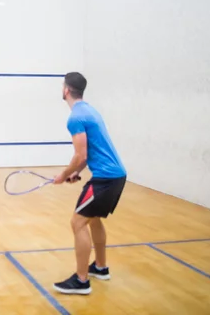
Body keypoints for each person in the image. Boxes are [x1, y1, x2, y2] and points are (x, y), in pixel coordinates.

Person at [51, 72, 126, 295]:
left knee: (78, 223)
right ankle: (100, 268)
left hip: (105, 179)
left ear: (66, 90)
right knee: (93, 219)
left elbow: (80, 155)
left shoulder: (75, 117)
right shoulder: (90, 110)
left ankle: (81, 280)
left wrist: (64, 174)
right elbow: (91, 150)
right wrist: (77, 173)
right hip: (116, 175)